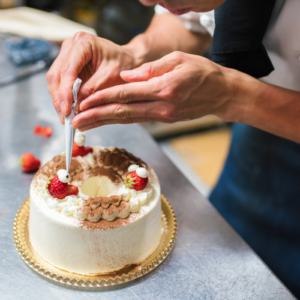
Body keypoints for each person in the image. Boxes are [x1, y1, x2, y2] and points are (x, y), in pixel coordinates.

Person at [47, 0, 300, 297]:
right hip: (260, 136)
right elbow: (190, 23)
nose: (146, 1)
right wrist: (135, 52)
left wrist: (234, 97)